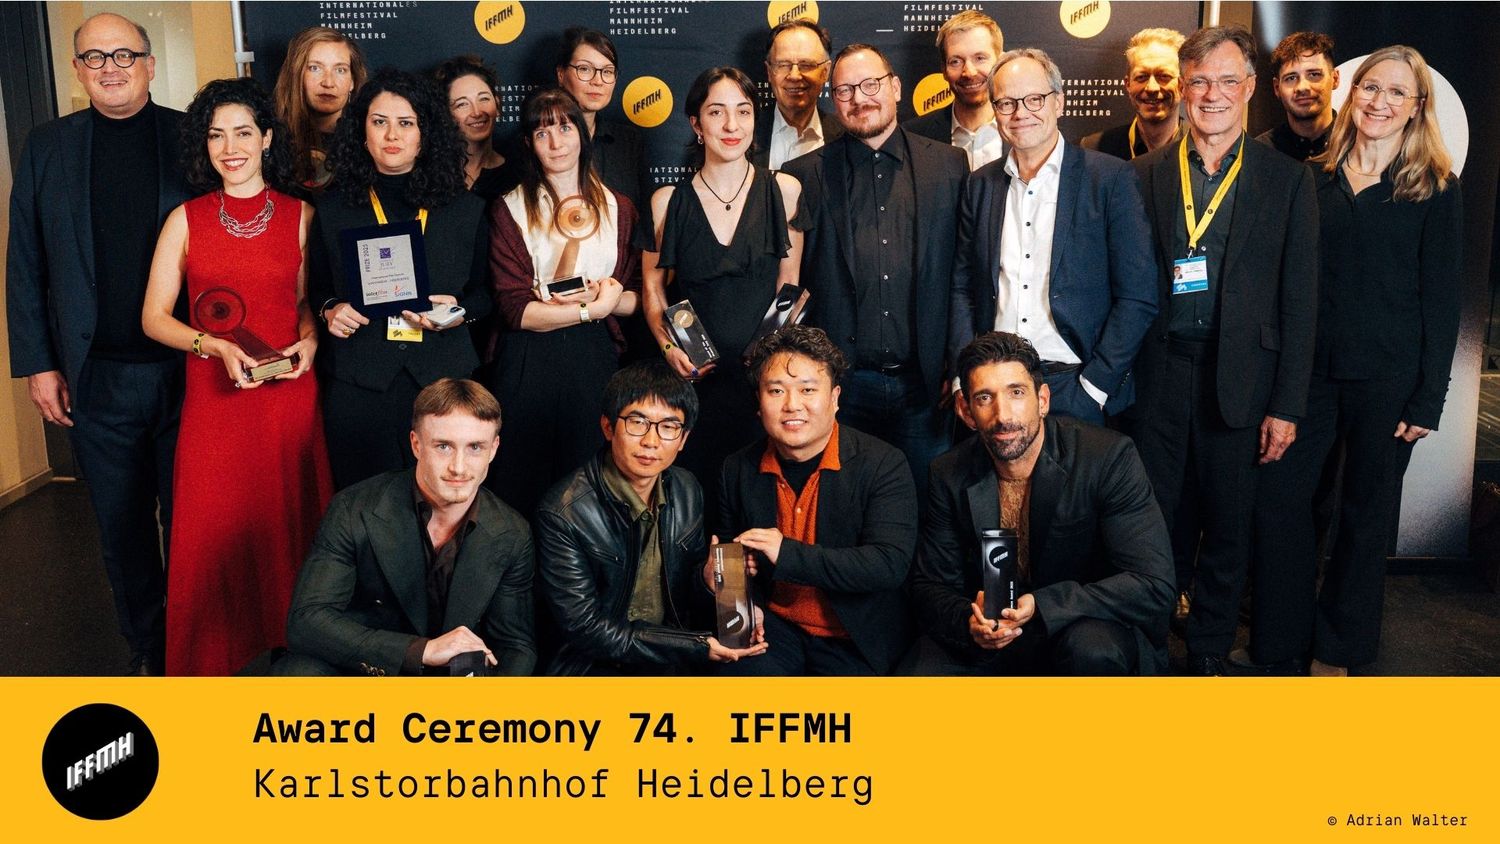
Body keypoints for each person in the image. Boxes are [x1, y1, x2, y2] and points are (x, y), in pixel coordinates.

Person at [1250, 46, 1462, 677]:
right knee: (1282, 507)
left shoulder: (1435, 189)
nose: (1381, 102)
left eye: (1398, 93)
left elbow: (1442, 301)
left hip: (1389, 383)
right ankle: (1280, 641)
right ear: (1351, 93)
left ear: (1417, 107)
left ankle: (1338, 649)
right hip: (1307, 379)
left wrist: (1428, 400)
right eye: (1372, 88)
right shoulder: (1309, 179)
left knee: (1365, 519)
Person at [6, 12, 193, 675]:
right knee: (121, 528)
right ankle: (148, 650)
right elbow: (25, 261)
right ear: (77, 70)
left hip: (188, 371)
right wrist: (39, 364)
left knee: (193, 524)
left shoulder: (190, 137)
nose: (110, 68)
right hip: (96, 376)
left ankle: (194, 648)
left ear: (149, 64)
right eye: (94, 57)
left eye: (124, 55)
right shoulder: (47, 145)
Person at [1128, 25, 1318, 675]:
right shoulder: (1141, 176)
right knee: (1155, 521)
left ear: (1250, 88)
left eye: (1227, 81)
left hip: (1245, 381)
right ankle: (1150, 643)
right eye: (1200, 81)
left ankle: (1208, 647)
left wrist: (1287, 406)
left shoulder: (1287, 181)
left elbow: (1300, 302)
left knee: (1230, 527)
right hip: (1158, 375)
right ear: (1183, 90)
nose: (1213, 94)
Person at [141, 78, 333, 675]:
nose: (231, 148)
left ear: (267, 138)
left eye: (243, 133)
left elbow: (305, 305)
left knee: (288, 525)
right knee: (212, 531)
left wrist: (311, 342)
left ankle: (296, 654)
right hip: (215, 401)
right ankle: (210, 666)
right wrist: (214, 346)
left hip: (287, 397)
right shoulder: (185, 219)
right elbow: (153, 317)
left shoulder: (302, 216)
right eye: (216, 135)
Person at [907, 332, 1174, 675]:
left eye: (1016, 393)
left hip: (1081, 624)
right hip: (996, 636)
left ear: (1043, 400)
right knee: (919, 673)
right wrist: (969, 621)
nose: (1003, 414)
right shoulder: (948, 472)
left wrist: (1043, 605)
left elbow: (1153, 584)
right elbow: (930, 586)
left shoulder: (1107, 457)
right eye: (985, 397)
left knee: (1092, 651)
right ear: (966, 411)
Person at [782, 44, 969, 501]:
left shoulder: (949, 165)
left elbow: (964, 274)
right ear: (833, 99)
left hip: (925, 386)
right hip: (841, 388)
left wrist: (958, 361)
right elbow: (791, 285)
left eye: (870, 85)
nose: (859, 98)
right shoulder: (802, 175)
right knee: (844, 510)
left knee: (925, 509)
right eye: (845, 90)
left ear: (896, 87)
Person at [949, 48, 1156, 424]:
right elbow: (963, 288)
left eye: (1034, 99)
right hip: (995, 386)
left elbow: (1137, 296)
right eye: (1007, 103)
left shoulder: (1109, 179)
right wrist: (964, 379)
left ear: (1058, 102)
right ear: (995, 111)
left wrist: (1096, 387)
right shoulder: (979, 185)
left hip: (1076, 384)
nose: (1020, 113)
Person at [310, 68, 493, 490]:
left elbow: (486, 295)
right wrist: (330, 310)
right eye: (379, 122)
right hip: (359, 382)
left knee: (442, 502)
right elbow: (318, 290)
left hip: (444, 382)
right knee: (362, 504)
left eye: (406, 123)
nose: (392, 134)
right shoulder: (333, 209)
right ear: (362, 132)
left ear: (425, 134)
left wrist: (458, 311)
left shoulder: (465, 209)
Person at [279, 378, 535, 676]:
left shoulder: (513, 532)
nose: (459, 467)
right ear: (416, 444)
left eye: (475, 447)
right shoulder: (353, 509)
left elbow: (516, 645)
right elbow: (307, 622)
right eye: (443, 446)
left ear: (493, 449)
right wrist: (421, 651)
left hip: (452, 682)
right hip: (368, 669)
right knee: (297, 674)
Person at [643, 67, 806, 523]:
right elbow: (653, 288)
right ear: (696, 123)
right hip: (694, 380)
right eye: (717, 112)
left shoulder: (783, 190)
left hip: (763, 383)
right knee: (696, 505)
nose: (732, 125)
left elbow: (789, 287)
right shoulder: (667, 201)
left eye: (743, 111)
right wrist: (669, 348)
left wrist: (769, 360)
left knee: (760, 505)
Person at [536, 360, 768, 675]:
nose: (651, 441)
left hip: (670, 658)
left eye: (669, 427)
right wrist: (694, 646)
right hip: (593, 667)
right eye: (637, 422)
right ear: (608, 427)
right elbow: (585, 627)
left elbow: (684, 595)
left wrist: (707, 580)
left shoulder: (686, 488)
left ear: (683, 439)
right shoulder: (563, 512)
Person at [716, 326, 918, 676]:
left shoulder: (883, 464)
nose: (792, 405)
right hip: (772, 627)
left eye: (808, 390)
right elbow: (730, 558)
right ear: (759, 403)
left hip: (852, 636)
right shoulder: (737, 468)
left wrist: (787, 553)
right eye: (776, 390)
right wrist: (719, 581)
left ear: (835, 397)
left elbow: (888, 564)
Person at [487, 87, 641, 516]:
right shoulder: (509, 209)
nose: (556, 142)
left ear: (582, 134)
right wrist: (591, 308)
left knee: (589, 488)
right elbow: (514, 310)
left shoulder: (619, 208)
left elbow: (637, 301)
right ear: (528, 144)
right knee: (522, 484)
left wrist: (610, 299)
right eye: (542, 133)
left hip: (594, 356)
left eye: (565, 128)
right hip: (528, 358)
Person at [552, 27, 650, 217]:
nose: (598, 81)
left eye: (607, 71)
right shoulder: (537, 142)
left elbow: (643, 216)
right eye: (585, 69)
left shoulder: (629, 141)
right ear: (561, 74)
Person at [903, 10, 1006, 171]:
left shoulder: (1026, 129)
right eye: (956, 61)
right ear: (944, 69)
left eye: (980, 58)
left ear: (1000, 62)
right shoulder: (912, 137)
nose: (969, 72)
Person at [272, 26, 366, 191]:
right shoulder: (271, 139)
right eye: (315, 68)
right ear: (296, 75)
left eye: (340, 70)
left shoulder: (368, 138)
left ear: (352, 81)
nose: (328, 82)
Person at [1080, 28, 1185, 161]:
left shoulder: (1203, 148)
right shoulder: (1094, 150)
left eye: (1164, 76)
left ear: (1183, 84)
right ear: (1128, 84)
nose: (1151, 88)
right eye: (1141, 77)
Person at [752, 19, 843, 170]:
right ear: (769, 71)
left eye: (806, 65)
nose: (794, 76)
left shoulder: (846, 136)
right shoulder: (743, 133)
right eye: (783, 65)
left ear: (825, 72)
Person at [433, 54, 516, 201]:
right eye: (462, 104)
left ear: (497, 105)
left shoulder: (517, 176)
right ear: (445, 114)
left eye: (483, 99)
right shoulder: (431, 174)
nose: (477, 112)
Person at [1256, 32, 1339, 162]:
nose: (1302, 87)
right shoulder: (1259, 152)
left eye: (1314, 75)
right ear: (1277, 88)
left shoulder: (1358, 143)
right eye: (1291, 78)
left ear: (1335, 79)